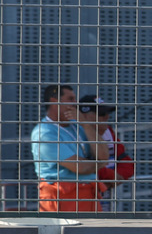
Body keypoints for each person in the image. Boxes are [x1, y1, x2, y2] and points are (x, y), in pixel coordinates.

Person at [30, 84, 107, 213]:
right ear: (54, 101)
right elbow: (80, 167)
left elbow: (104, 155)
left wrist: (85, 124)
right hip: (62, 197)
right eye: (70, 99)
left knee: (93, 232)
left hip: (87, 194)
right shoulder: (44, 132)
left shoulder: (78, 126)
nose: (75, 103)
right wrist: (100, 163)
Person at [78, 94, 134, 210]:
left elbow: (127, 163)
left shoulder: (108, 131)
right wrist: (111, 177)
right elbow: (84, 166)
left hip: (106, 196)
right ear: (84, 116)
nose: (107, 117)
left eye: (108, 113)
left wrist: (114, 178)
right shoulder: (75, 132)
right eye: (101, 114)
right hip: (82, 196)